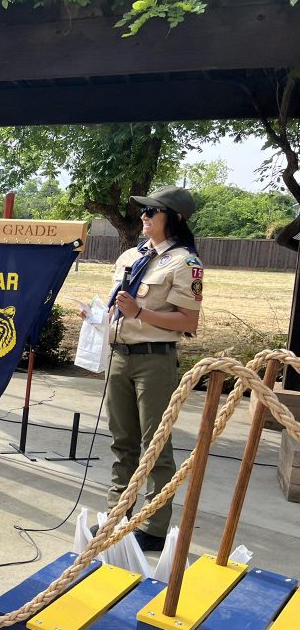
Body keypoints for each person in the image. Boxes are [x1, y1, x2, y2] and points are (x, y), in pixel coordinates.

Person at [103, 186, 203, 553]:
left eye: (152, 212)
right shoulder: (131, 256)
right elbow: (117, 307)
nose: (143, 217)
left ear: (174, 218)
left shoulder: (185, 263)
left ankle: (154, 526)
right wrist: (99, 316)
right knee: (122, 441)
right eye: (143, 211)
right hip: (119, 356)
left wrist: (140, 313)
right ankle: (117, 513)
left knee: (155, 446)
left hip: (154, 361)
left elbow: (188, 321)